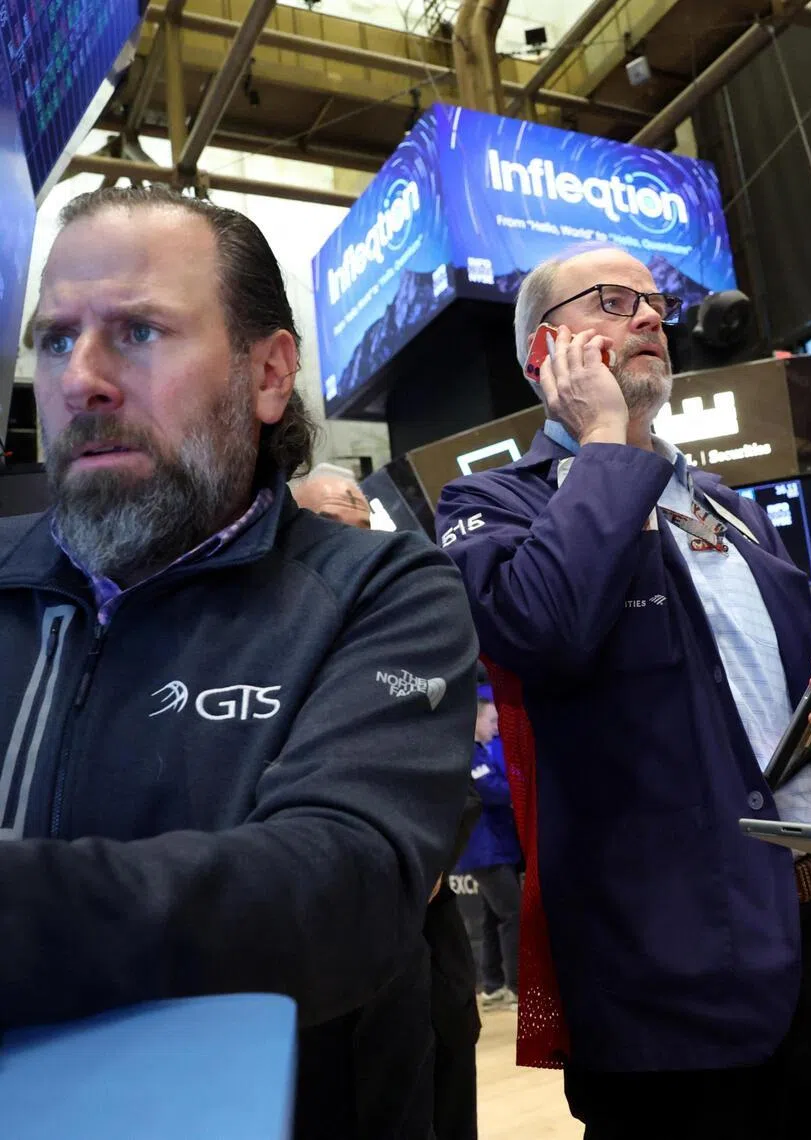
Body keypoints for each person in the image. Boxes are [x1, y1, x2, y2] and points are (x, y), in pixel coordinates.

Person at [436, 243, 811, 1139]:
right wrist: (604, 440)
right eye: (612, 301)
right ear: (543, 351)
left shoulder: (726, 508)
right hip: (669, 973)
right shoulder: (491, 505)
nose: (649, 317)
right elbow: (541, 629)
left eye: (655, 304)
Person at [2, 185, 478, 1138]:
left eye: (139, 332)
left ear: (268, 374)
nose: (81, 379)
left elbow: (341, 883)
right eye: (55, 340)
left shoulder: (380, 592)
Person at [293, 462, 483, 1140]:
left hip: (419, 941)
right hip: (310, 957)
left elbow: (456, 777)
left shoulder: (420, 614)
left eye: (357, 522)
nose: (348, 538)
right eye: (326, 522)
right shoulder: (272, 635)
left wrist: (421, 859)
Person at [454, 684, 522, 1011]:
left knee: (493, 918)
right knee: (514, 914)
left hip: (497, 848)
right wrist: (520, 790)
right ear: (476, 720)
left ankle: (493, 985)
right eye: (492, 721)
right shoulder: (467, 754)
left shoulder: (484, 751)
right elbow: (494, 792)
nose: (497, 727)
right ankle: (518, 986)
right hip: (485, 852)